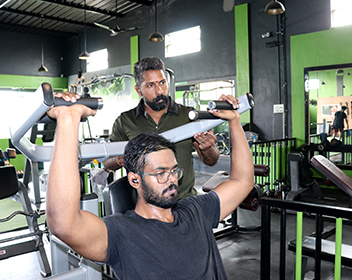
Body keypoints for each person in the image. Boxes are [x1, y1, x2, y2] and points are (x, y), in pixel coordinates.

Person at [46, 94, 254, 280]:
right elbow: (63, 223)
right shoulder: (122, 233)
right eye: (160, 173)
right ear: (135, 180)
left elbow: (242, 181)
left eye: (174, 171)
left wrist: (234, 121)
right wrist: (68, 119)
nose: (172, 179)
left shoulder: (195, 210)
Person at [103, 57, 220, 198]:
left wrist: (208, 147)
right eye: (150, 85)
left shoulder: (189, 116)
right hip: (145, 207)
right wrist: (120, 160)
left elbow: (211, 161)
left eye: (162, 83)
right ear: (139, 90)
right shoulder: (125, 121)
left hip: (184, 202)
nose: (159, 91)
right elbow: (107, 163)